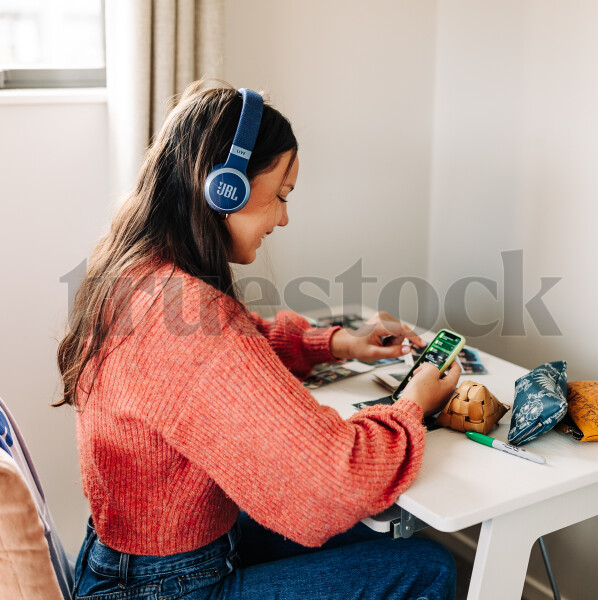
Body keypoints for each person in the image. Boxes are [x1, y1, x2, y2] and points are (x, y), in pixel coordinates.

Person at [56, 80, 461, 600]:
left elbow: (233, 351)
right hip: (169, 587)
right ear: (227, 188)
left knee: (368, 530)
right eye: (281, 195)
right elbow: (335, 478)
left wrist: (337, 344)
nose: (284, 217)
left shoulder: (138, 272)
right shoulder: (185, 311)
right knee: (424, 567)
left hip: (131, 562)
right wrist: (412, 403)